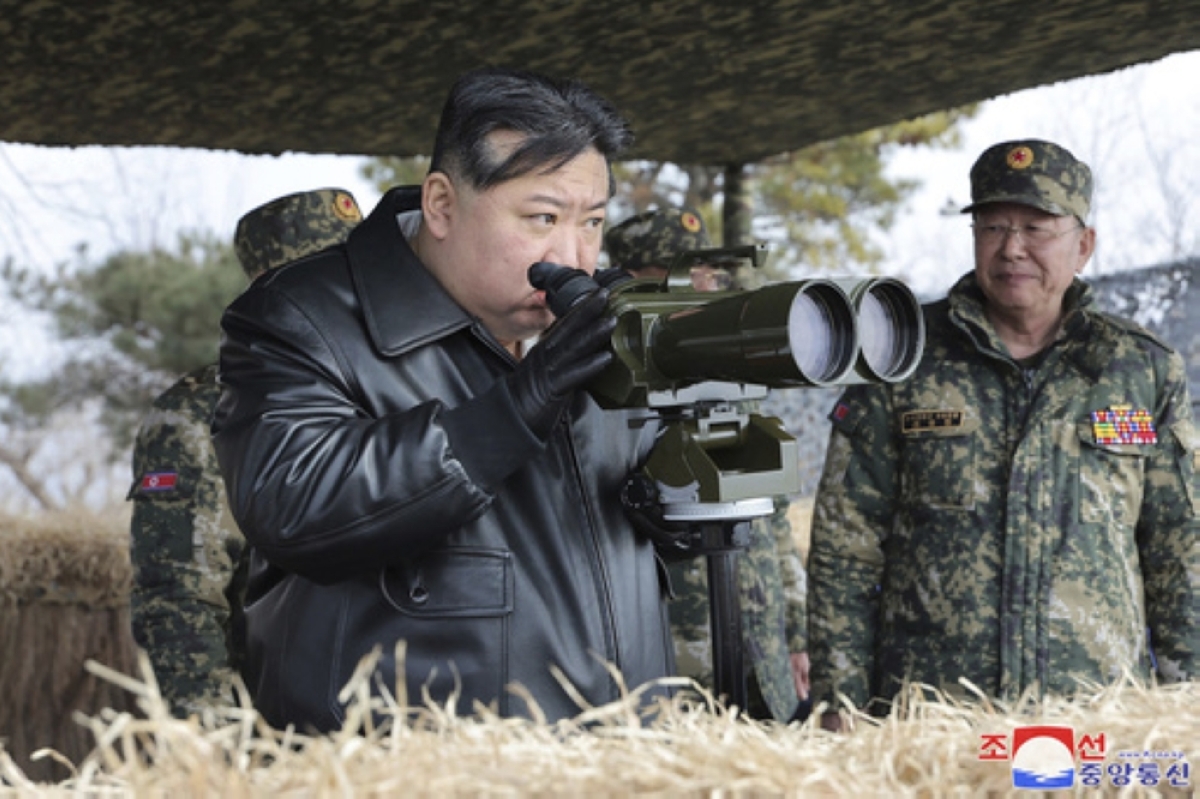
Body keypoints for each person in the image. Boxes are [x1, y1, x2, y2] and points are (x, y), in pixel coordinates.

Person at [211, 67, 677, 732]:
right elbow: (294, 503)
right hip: (409, 769)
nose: (574, 256)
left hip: (623, 762)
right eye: (542, 217)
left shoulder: (594, 326)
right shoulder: (302, 319)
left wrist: (672, 512)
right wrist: (514, 410)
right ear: (441, 205)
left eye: (593, 222)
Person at [807, 139, 1200, 729]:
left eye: (1036, 228)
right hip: (933, 721)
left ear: (1084, 245)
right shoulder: (902, 360)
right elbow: (847, 547)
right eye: (993, 227)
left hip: (1092, 717)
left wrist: (1185, 709)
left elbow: (1180, 553)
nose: (1012, 248)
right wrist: (840, 704)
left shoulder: (1139, 369)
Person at [128, 188, 363, 717]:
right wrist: (217, 756)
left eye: (354, 275)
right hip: (276, 737)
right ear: (268, 292)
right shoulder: (201, 414)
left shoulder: (404, 388)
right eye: (321, 279)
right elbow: (180, 599)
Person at [604, 206, 810, 723]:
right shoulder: (603, 392)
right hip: (670, 665)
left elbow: (775, 519)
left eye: (707, 276)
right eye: (678, 277)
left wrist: (797, 635)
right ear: (628, 287)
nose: (700, 290)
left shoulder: (733, 382)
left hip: (761, 660)